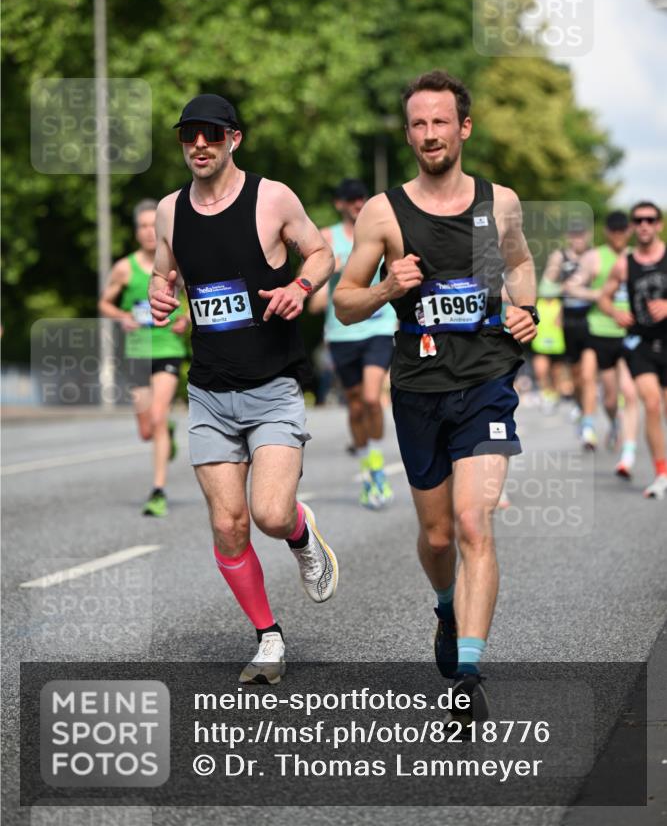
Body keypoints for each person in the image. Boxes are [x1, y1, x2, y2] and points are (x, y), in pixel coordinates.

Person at [334, 70, 538, 720]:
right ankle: (446, 608)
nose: (429, 134)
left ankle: (468, 674)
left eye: (440, 122)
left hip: (484, 381)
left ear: (463, 128)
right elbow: (342, 304)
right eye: (418, 124)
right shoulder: (383, 212)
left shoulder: (496, 203)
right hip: (418, 388)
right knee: (440, 534)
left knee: (476, 523)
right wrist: (386, 289)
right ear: (408, 133)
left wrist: (524, 310)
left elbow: (518, 265)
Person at [148, 93, 338, 684]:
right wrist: (159, 293)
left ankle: (301, 534)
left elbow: (323, 251)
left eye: (210, 133)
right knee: (229, 525)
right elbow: (164, 272)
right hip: (208, 390)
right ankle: (268, 636)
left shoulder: (272, 198)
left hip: (273, 384)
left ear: (235, 138)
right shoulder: (169, 211)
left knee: (270, 513)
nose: (198, 144)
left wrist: (301, 286)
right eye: (188, 135)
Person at [309, 178, 396, 509]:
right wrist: (332, 273)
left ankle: (376, 465)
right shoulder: (327, 238)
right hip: (342, 331)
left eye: (362, 198)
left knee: (373, 397)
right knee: (356, 403)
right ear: (339, 204)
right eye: (351, 200)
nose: (358, 204)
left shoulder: (378, 231)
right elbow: (314, 300)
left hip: (379, 325)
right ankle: (367, 466)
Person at [98, 199, 189, 517]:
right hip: (136, 351)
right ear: (136, 232)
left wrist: (186, 320)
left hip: (167, 349)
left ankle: (158, 490)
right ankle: (167, 435)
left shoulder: (177, 265)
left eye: (154, 225)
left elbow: (193, 299)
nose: (150, 232)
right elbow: (104, 304)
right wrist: (122, 316)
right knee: (146, 429)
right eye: (143, 226)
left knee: (159, 416)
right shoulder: (125, 267)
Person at [599, 201, 667, 500]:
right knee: (650, 404)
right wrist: (614, 313)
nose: (644, 225)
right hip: (640, 343)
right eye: (638, 220)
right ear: (631, 226)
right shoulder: (625, 263)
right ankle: (662, 475)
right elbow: (603, 297)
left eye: (650, 220)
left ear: (659, 224)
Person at [563, 211, 639, 477]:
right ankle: (594, 424)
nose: (619, 235)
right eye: (614, 230)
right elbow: (570, 287)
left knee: (623, 394)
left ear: (628, 231)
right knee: (594, 383)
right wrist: (597, 294)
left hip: (628, 334)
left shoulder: (635, 257)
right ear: (607, 232)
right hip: (597, 330)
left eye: (623, 230)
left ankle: (622, 440)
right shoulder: (594, 257)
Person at [539, 221, 594, 446]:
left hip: (591, 319)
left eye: (581, 235)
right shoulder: (559, 257)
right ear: (568, 236)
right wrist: (563, 288)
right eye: (574, 235)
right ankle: (580, 409)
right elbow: (545, 289)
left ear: (588, 235)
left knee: (589, 375)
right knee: (577, 375)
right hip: (569, 320)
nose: (578, 239)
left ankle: (589, 426)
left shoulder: (595, 256)